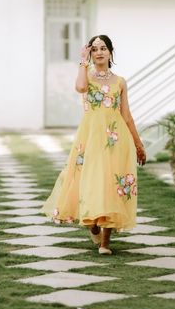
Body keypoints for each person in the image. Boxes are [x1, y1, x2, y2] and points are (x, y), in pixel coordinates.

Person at [42, 35, 146, 255]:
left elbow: (126, 115)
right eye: (95, 49)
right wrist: (82, 61)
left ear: (110, 52)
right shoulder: (86, 76)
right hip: (90, 137)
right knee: (88, 181)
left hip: (116, 139)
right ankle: (92, 223)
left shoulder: (120, 81)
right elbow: (80, 88)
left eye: (103, 48)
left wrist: (138, 144)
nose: (99, 52)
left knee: (110, 184)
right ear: (90, 53)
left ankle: (105, 243)